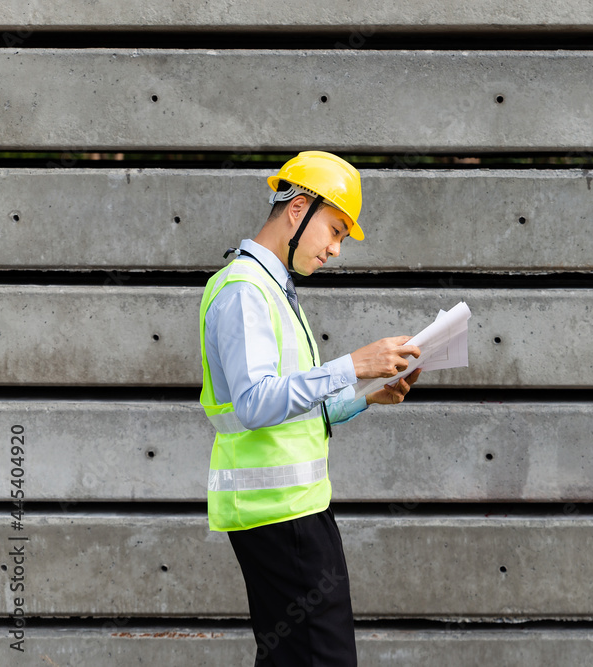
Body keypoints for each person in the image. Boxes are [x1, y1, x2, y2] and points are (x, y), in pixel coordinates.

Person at [199, 151, 421, 666]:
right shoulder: (244, 291)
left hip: (295, 511)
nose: (337, 249)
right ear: (298, 210)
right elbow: (254, 405)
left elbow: (293, 409)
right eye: (336, 230)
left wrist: (364, 396)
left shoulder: (273, 290)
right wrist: (355, 365)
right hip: (279, 517)